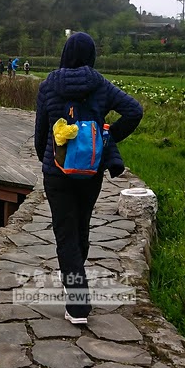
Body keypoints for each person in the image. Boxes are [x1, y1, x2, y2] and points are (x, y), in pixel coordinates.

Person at [34, 31, 143, 325]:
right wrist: (107, 138)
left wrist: (49, 159)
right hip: (91, 171)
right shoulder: (100, 84)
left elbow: (40, 134)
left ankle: (78, 303)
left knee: (65, 234)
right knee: (81, 227)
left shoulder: (48, 86)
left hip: (57, 174)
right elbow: (134, 111)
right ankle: (77, 286)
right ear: (91, 55)